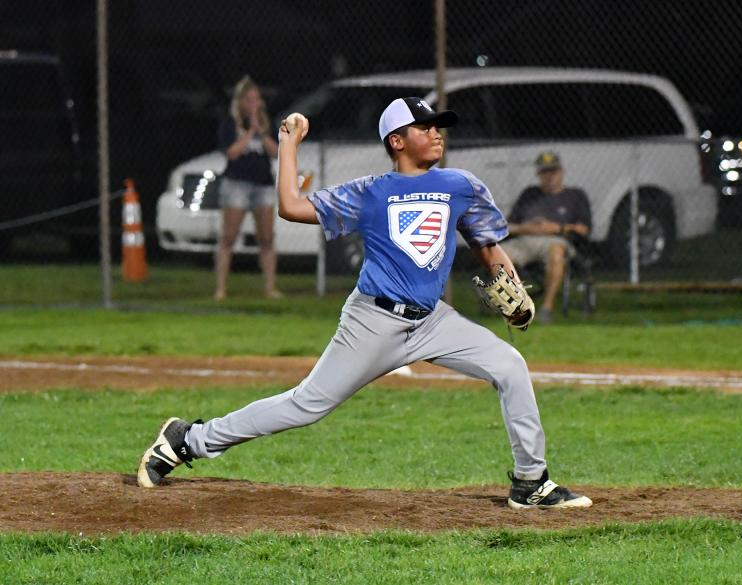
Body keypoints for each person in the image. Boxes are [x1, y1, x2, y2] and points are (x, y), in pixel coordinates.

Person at [137, 98, 592, 510]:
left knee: (509, 364)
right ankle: (187, 440)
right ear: (397, 140)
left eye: (438, 126)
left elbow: (487, 245)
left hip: (433, 320)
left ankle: (531, 483)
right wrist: (289, 142)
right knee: (305, 405)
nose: (437, 132)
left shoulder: (461, 185)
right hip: (372, 320)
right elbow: (292, 206)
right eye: (425, 126)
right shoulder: (370, 192)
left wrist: (508, 286)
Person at [214, 75, 281, 301]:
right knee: (228, 238)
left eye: (257, 99)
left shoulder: (267, 123)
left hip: (263, 185)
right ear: (241, 101)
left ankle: (270, 288)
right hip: (237, 184)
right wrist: (249, 132)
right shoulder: (229, 123)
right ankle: (221, 289)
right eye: (249, 100)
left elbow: (275, 152)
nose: (254, 104)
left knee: (267, 238)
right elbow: (231, 153)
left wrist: (260, 132)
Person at [503, 152, 592, 323]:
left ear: (561, 171)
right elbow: (507, 226)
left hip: (557, 241)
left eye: (553, 171)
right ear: (538, 174)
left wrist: (556, 228)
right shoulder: (529, 195)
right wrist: (528, 228)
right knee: (499, 256)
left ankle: (546, 309)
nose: (549, 176)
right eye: (545, 172)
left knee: (556, 252)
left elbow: (584, 230)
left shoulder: (575, 196)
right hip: (525, 240)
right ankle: (518, 307)